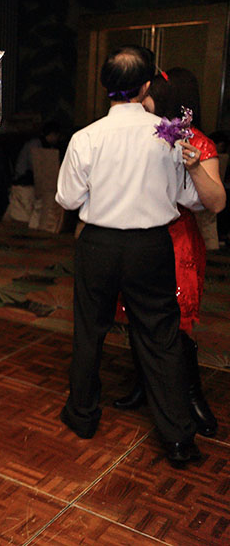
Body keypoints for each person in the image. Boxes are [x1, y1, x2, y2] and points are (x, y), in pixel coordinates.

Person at [56, 45, 204, 467]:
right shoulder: (169, 135)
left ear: (106, 86)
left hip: (99, 245)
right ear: (145, 86)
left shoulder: (86, 137)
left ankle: (82, 416)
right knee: (161, 336)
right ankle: (179, 438)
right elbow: (188, 198)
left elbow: (67, 198)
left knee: (90, 330)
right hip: (150, 247)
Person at [113, 67, 224, 436]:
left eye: (147, 94)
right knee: (136, 316)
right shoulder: (139, 135)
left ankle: (191, 394)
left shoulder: (199, 142)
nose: (141, 100)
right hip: (137, 236)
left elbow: (217, 203)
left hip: (177, 242)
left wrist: (193, 167)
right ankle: (144, 385)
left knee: (177, 325)